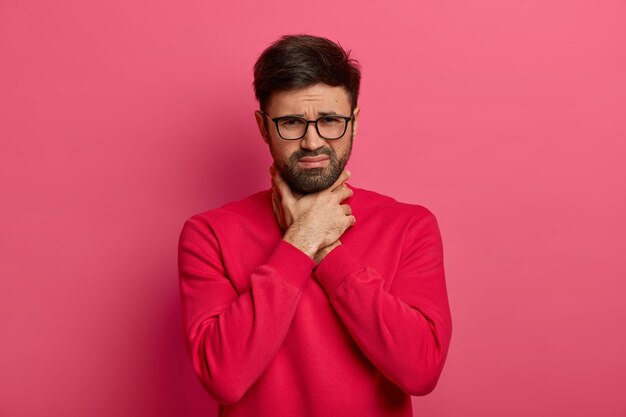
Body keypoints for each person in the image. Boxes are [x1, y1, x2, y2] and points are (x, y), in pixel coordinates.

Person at [177, 34, 453, 417]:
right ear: (262, 126)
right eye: (291, 122)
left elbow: (420, 372)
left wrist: (327, 249)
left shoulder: (409, 226)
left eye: (329, 121)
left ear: (354, 123)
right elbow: (224, 377)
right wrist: (300, 242)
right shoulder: (208, 234)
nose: (312, 142)